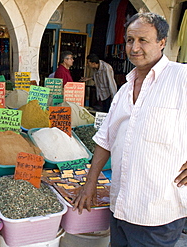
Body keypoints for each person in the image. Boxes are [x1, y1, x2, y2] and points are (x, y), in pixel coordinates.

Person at [73, 11, 187, 247]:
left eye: (143, 40)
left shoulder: (181, 78)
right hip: (120, 207)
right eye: (129, 40)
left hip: (158, 213)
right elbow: (105, 139)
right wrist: (90, 182)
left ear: (162, 42)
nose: (134, 47)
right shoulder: (124, 90)